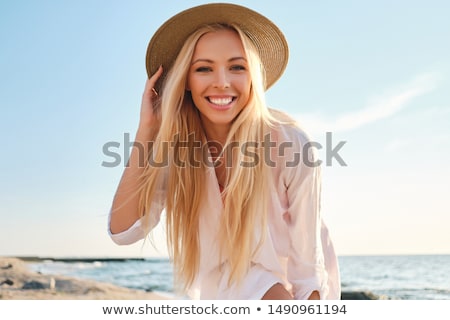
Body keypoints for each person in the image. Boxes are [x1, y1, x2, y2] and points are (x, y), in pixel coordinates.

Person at [108, 3, 341, 300]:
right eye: (203, 68)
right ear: (186, 81)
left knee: (270, 289)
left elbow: (308, 273)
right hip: (221, 293)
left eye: (237, 67)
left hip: (288, 292)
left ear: (253, 77)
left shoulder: (292, 145)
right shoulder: (177, 150)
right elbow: (124, 231)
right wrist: (147, 132)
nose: (221, 82)